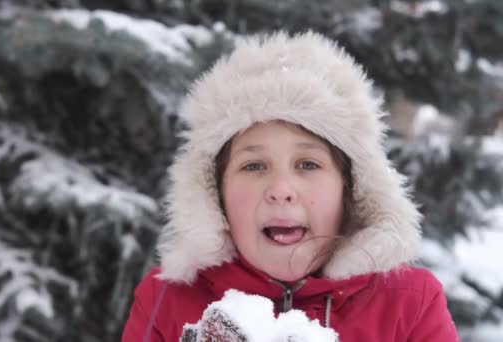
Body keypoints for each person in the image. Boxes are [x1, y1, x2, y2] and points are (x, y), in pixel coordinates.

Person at [122, 31, 459, 341]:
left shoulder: (410, 304)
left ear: (351, 188)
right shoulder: (165, 299)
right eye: (253, 165)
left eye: (308, 164)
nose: (281, 189)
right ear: (215, 194)